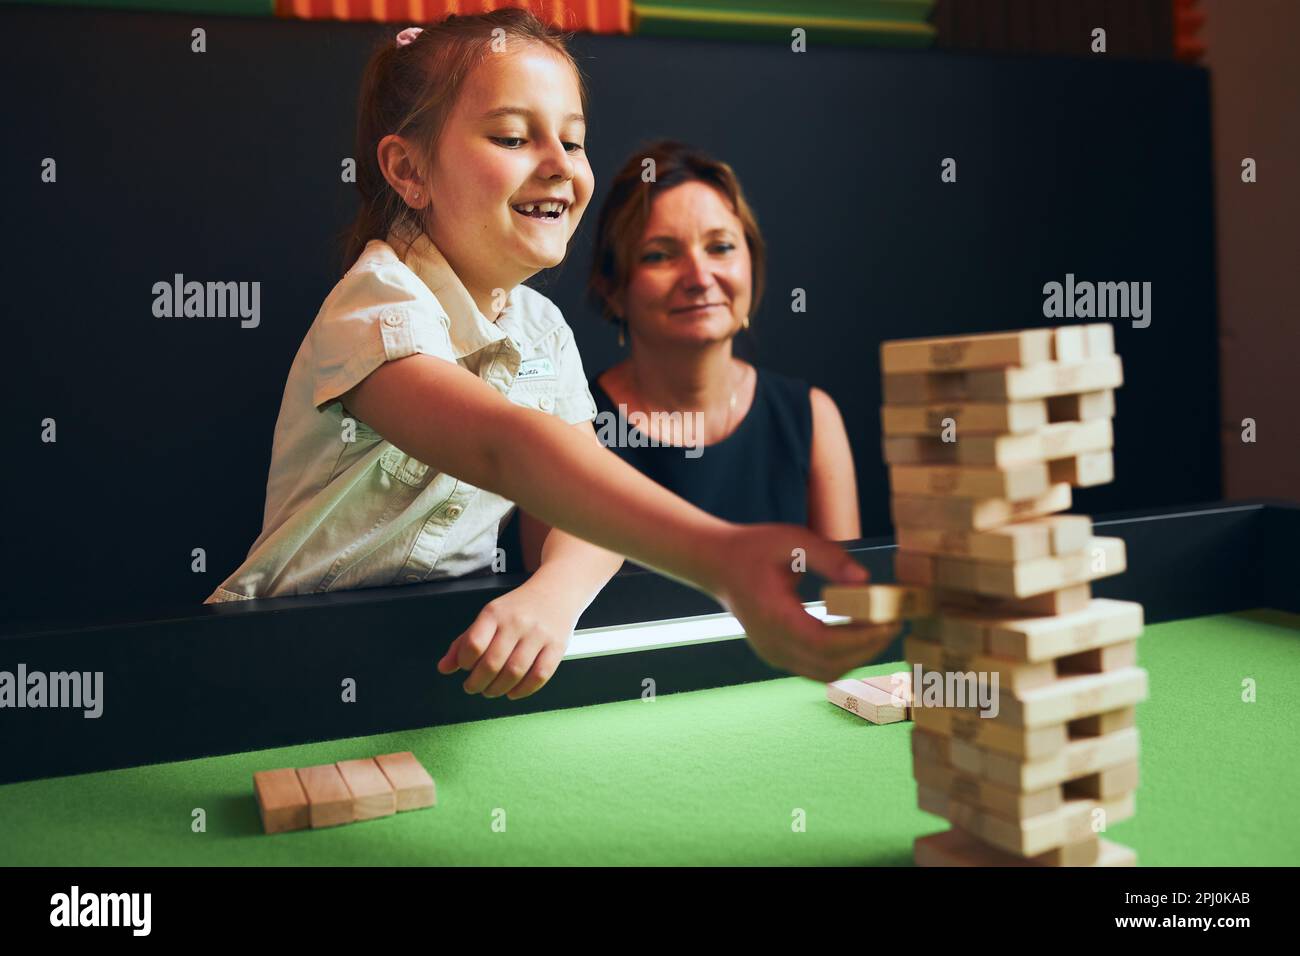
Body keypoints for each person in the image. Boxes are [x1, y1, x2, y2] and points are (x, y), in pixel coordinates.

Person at [206, 10, 897, 700]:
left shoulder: (543, 329)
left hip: (435, 654)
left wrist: (553, 598)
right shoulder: (375, 301)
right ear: (408, 170)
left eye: (573, 140)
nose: (559, 165)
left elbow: (585, 500)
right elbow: (510, 449)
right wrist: (716, 554)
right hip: (277, 658)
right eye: (512, 136)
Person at [517, 141, 860, 573]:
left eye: (720, 247)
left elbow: (844, 606)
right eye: (660, 255)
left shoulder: (811, 418)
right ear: (613, 289)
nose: (699, 278)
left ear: (751, 263)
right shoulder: (567, 427)